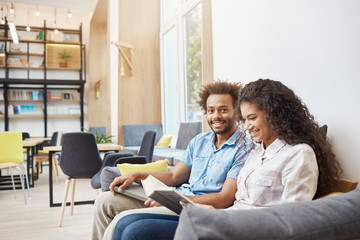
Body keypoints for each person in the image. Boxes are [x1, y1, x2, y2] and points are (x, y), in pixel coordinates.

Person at [112, 79, 342, 240]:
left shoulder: (299, 154)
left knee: (137, 232)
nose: (247, 126)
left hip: (246, 229)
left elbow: (294, 220)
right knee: (125, 224)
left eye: (252, 118)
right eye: (245, 119)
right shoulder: (255, 151)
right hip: (223, 218)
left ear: (276, 115)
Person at [91, 81, 254, 240]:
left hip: (195, 206)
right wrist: (138, 176)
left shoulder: (244, 149)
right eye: (211, 110)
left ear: (237, 111)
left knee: (122, 221)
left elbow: (225, 198)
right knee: (104, 200)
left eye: (223, 110)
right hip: (178, 195)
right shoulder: (199, 141)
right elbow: (174, 176)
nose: (216, 116)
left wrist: (175, 201)